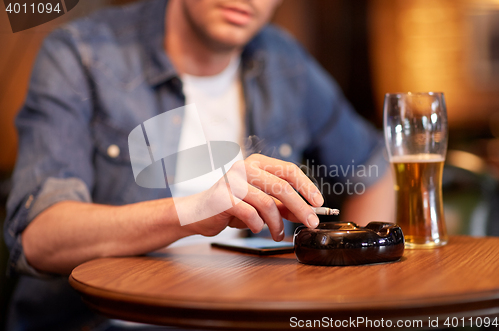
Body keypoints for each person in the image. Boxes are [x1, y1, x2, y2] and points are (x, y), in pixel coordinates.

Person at [4, 0, 393, 330]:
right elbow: (38, 237)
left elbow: (374, 170)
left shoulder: (283, 61)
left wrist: (346, 291)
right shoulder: (80, 55)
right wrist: (193, 212)